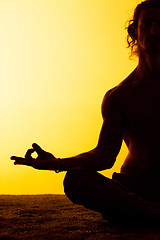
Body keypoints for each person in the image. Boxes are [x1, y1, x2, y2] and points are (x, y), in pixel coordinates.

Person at [11, 0, 160, 224]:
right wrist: (59, 163)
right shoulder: (119, 95)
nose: (154, 30)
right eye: (146, 24)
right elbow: (104, 154)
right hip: (133, 184)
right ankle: (148, 211)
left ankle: (140, 213)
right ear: (134, 30)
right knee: (76, 179)